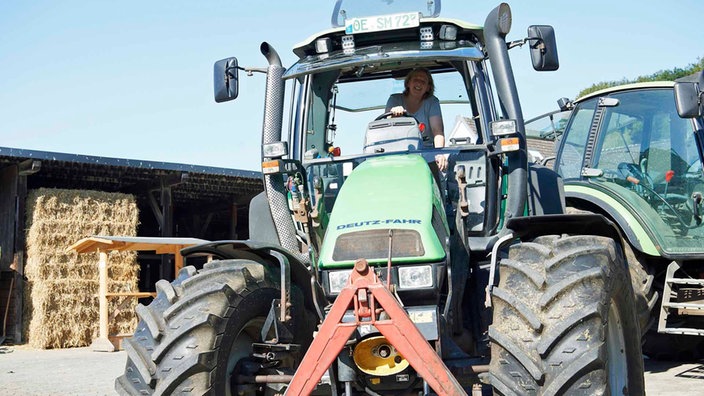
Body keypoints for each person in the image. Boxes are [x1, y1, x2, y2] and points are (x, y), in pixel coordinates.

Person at [385, 68, 448, 171]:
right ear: (408, 83)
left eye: (423, 81)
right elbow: (386, 124)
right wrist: (393, 114)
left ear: (428, 87)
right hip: (399, 155)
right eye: (415, 80)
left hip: (426, 157)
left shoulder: (432, 102)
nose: (419, 83)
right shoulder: (395, 100)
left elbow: (437, 131)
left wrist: (439, 154)